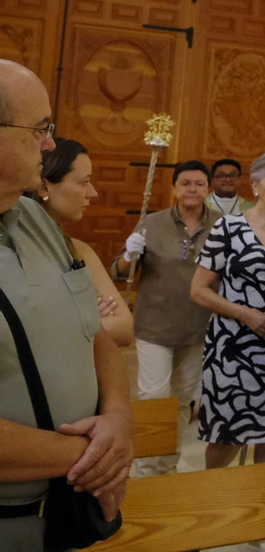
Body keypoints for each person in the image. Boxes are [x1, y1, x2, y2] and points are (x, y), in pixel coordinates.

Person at [0, 61, 134, 551]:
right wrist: (93, 455)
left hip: (63, 514)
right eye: (39, 129)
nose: (50, 143)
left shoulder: (36, 219)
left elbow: (94, 334)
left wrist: (118, 418)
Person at [191, 151, 265, 469]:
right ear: (255, 185)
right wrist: (246, 313)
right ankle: (214, 505)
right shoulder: (227, 228)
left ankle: (259, 510)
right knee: (226, 437)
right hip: (232, 349)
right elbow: (198, 291)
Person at [114, 159, 218, 475]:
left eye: (199, 183)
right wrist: (129, 254)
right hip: (154, 327)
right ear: (174, 187)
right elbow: (118, 271)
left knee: (182, 400)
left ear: (208, 188)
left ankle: (167, 463)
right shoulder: (152, 222)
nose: (192, 189)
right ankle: (145, 467)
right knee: (154, 397)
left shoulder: (223, 224)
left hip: (198, 328)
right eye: (185, 183)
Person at [29, 138, 133, 346]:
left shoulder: (78, 251)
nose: (93, 193)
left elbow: (124, 328)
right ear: (44, 187)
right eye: (84, 182)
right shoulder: (12, 250)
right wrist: (86, 317)